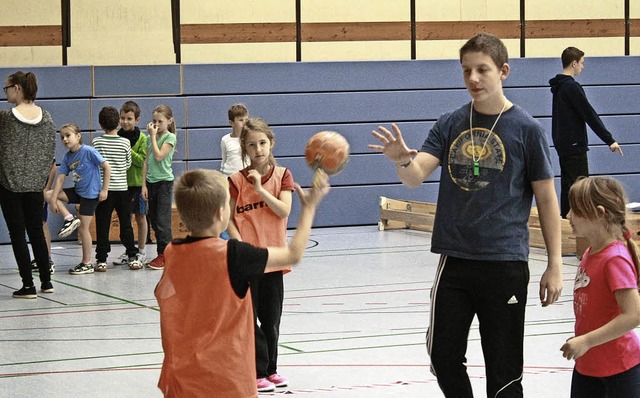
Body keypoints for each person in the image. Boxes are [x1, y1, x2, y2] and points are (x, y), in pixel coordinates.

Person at [369, 32, 563, 397]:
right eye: (466, 71)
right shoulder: (450, 122)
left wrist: (554, 264)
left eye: (482, 70)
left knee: (504, 372)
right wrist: (401, 160)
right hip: (455, 260)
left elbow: (548, 201)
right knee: (442, 356)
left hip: (505, 263)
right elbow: (415, 176)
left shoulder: (527, 130)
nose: (473, 78)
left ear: (503, 71)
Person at [155, 168, 329, 397]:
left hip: (182, 375)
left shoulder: (172, 252)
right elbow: (293, 254)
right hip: (226, 377)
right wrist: (308, 208)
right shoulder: (233, 255)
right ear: (221, 213)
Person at [227, 118, 295, 393]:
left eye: (263, 143)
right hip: (248, 262)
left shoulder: (283, 175)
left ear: (271, 144)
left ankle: (272, 370)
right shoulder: (235, 180)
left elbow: (283, 211)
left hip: (275, 259)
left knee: (272, 320)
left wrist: (259, 189)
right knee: (248, 320)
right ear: (244, 148)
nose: (258, 149)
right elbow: (227, 218)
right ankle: (256, 371)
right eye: (252, 145)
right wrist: (240, 244)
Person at [561, 176, 640, 397]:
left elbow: (633, 315)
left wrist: (586, 340)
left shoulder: (614, 259)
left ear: (598, 213)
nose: (568, 216)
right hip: (588, 367)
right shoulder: (589, 253)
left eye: (575, 210)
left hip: (618, 371)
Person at [549, 46, 624, 218]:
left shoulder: (559, 86)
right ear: (574, 63)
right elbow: (589, 114)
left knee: (569, 184)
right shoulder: (571, 87)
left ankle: (567, 218)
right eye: (581, 63)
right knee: (580, 185)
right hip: (574, 144)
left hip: (563, 143)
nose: (582, 67)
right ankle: (578, 220)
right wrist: (609, 140)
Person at [0, 71, 56, 298]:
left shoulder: (5, 118)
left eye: (7, 88)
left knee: (17, 235)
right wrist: (41, 179)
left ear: (17, 88)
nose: (5, 93)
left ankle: (28, 285)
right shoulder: (47, 117)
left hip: (9, 185)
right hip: (35, 185)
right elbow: (50, 153)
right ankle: (46, 281)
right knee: (36, 232)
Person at [45, 123, 111, 275]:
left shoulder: (88, 151)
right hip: (78, 191)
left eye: (68, 135)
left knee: (83, 229)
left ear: (78, 136)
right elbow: (60, 179)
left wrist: (105, 189)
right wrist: (53, 200)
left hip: (90, 194)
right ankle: (69, 218)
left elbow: (107, 167)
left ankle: (86, 263)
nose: (65, 139)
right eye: (62, 137)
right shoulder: (68, 157)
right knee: (48, 194)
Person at [92, 106, 141, 271]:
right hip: (122, 189)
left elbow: (96, 164)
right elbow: (128, 164)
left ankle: (101, 259)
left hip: (104, 191)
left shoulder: (97, 142)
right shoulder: (125, 142)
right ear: (118, 122)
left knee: (103, 224)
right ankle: (132, 255)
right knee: (126, 223)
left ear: (100, 124)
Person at [113, 101, 149, 268]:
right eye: (122, 118)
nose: (125, 122)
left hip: (137, 184)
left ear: (137, 120)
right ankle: (129, 250)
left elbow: (142, 161)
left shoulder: (142, 139)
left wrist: (127, 149)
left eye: (129, 118)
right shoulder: (116, 136)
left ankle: (141, 251)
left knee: (140, 217)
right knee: (125, 219)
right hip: (121, 185)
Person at [142, 104, 176, 270]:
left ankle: (166, 255)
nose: (156, 124)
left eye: (160, 121)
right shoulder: (149, 139)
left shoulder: (170, 138)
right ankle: (164, 252)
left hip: (164, 183)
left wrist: (153, 137)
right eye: (154, 121)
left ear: (169, 121)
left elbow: (158, 156)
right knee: (154, 220)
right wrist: (143, 185)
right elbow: (146, 162)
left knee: (163, 222)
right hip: (151, 183)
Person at [30, 159, 57, 275]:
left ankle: (47, 259)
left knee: (41, 221)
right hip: (24, 186)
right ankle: (39, 258)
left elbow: (53, 166)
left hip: (39, 187)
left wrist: (47, 187)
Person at [220, 103, 249, 177]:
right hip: (229, 178)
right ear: (231, 123)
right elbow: (224, 160)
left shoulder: (250, 138)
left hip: (246, 178)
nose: (244, 123)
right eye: (241, 120)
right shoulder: (225, 140)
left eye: (246, 120)